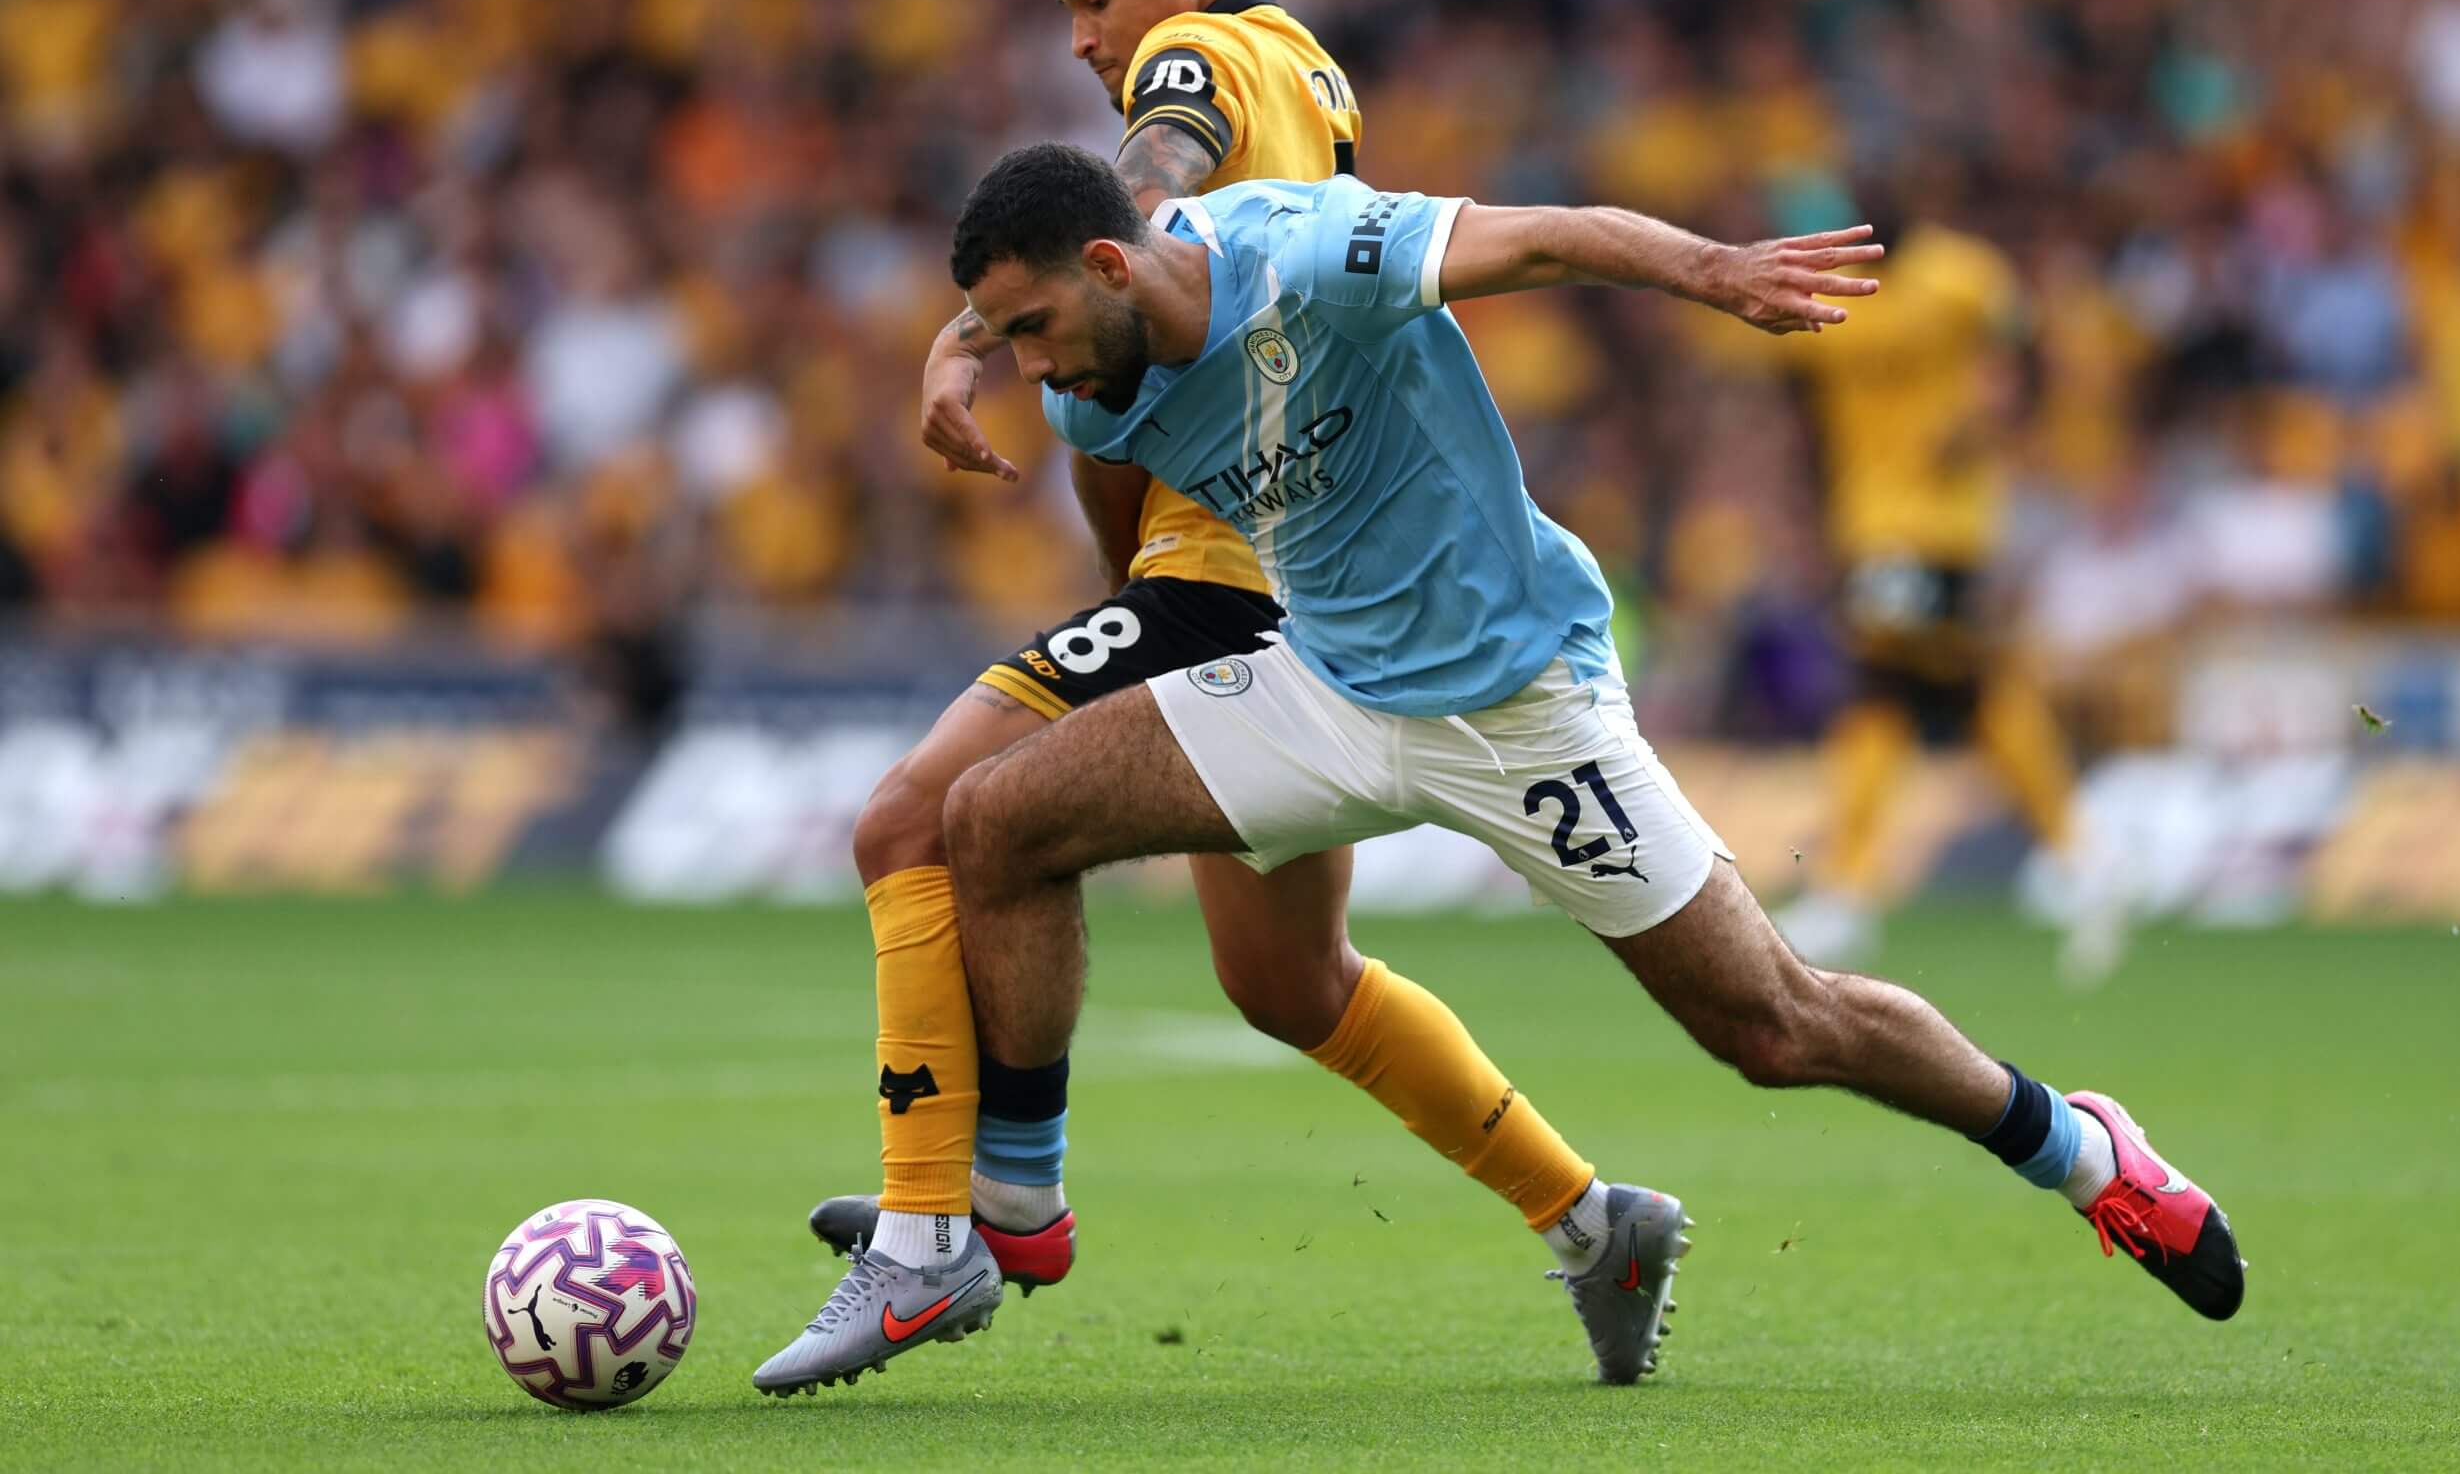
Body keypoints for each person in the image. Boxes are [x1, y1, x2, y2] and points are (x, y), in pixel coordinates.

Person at [755, 144, 2247, 1392]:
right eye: (1003, 341)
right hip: (1320, 685)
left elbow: (1540, 238)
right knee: (994, 820)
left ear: (1106, 264)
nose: (1031, 367)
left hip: (1519, 704)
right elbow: (1106, 462)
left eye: (1031, 328)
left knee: (1775, 1026)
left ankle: (2082, 1152)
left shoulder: (1309, 252)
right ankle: (1015, 1200)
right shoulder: (1089, 385)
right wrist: (961, 345)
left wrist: (1716, 271)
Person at [763, 0, 1654, 1394]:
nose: (1084, 38)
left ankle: (945, 1232)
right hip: (1295, 563)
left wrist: (971, 331)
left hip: (1225, 561)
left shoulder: (1184, 65)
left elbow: (1148, 176)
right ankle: (1594, 1218)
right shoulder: (1286, 49)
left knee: (910, 819)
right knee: (1288, 980)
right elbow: (1186, 15)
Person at [1762, 186, 2119, 981]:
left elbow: (2028, 353)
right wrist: (1817, 512)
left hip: (1941, 523)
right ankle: (2080, 858)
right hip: (1871, 524)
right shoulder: (1825, 288)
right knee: (1951, 691)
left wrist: (1992, 414)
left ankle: (1849, 891)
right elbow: (1807, 412)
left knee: (1887, 687)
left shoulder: (1962, 278)